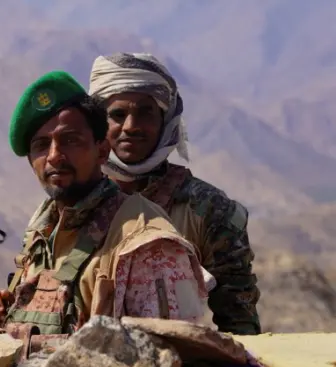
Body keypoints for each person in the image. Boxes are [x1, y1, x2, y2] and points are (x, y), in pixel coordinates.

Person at [0, 70, 210, 353]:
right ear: (30, 160)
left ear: (102, 151)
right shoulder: (44, 229)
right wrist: (5, 315)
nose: (54, 156)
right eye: (41, 145)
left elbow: (169, 357)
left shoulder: (145, 241)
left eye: (70, 140)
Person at [87, 52, 260, 335]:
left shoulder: (209, 209)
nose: (131, 126)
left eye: (146, 112)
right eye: (117, 115)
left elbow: (239, 322)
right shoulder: (76, 205)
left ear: (166, 120)